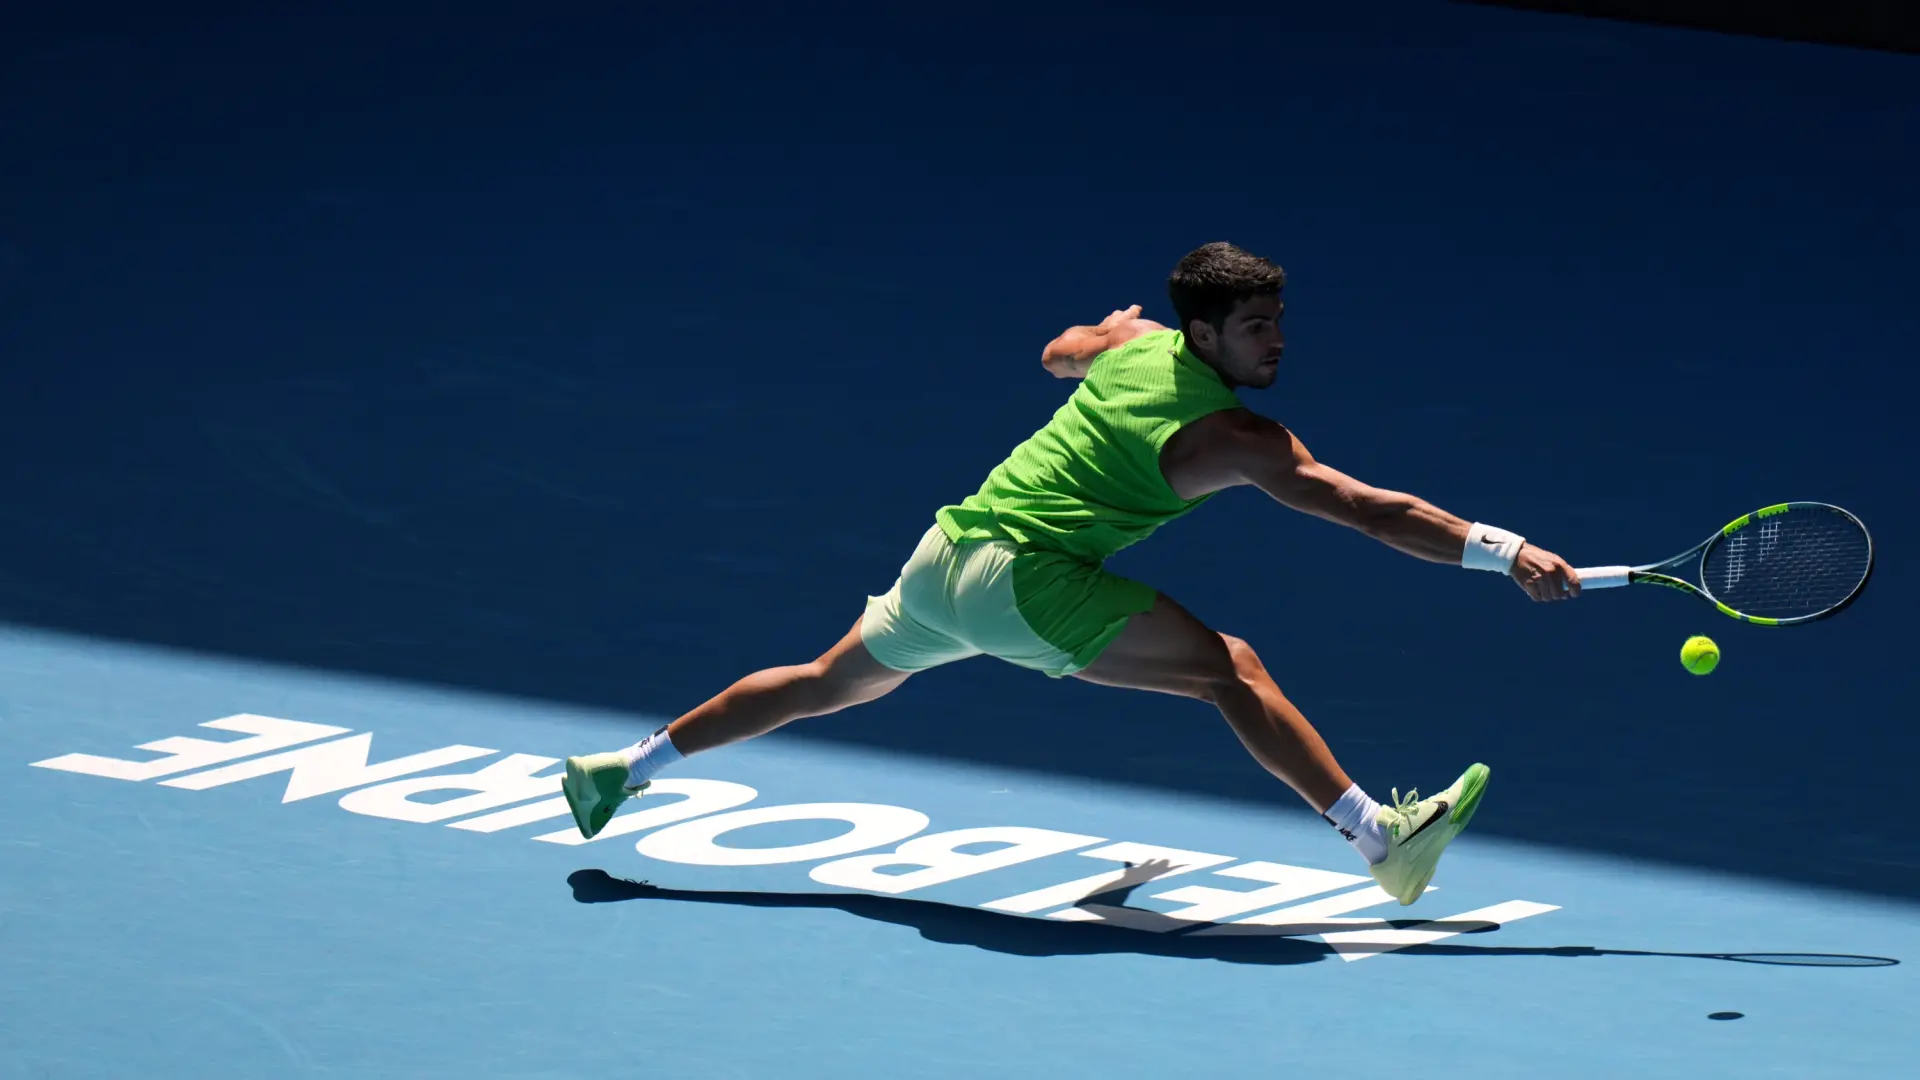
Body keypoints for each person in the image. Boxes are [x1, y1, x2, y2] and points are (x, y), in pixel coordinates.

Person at [559, 241, 1582, 907]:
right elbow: (1369, 510)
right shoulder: (1238, 436)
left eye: (1277, 320)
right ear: (1206, 334)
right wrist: (1505, 552)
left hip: (944, 560)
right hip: (1026, 582)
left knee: (823, 684)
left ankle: (624, 769)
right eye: (1258, 326)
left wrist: (1099, 335)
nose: (1277, 340)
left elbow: (1060, 352)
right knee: (1231, 668)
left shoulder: (1136, 346)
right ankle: (1380, 841)